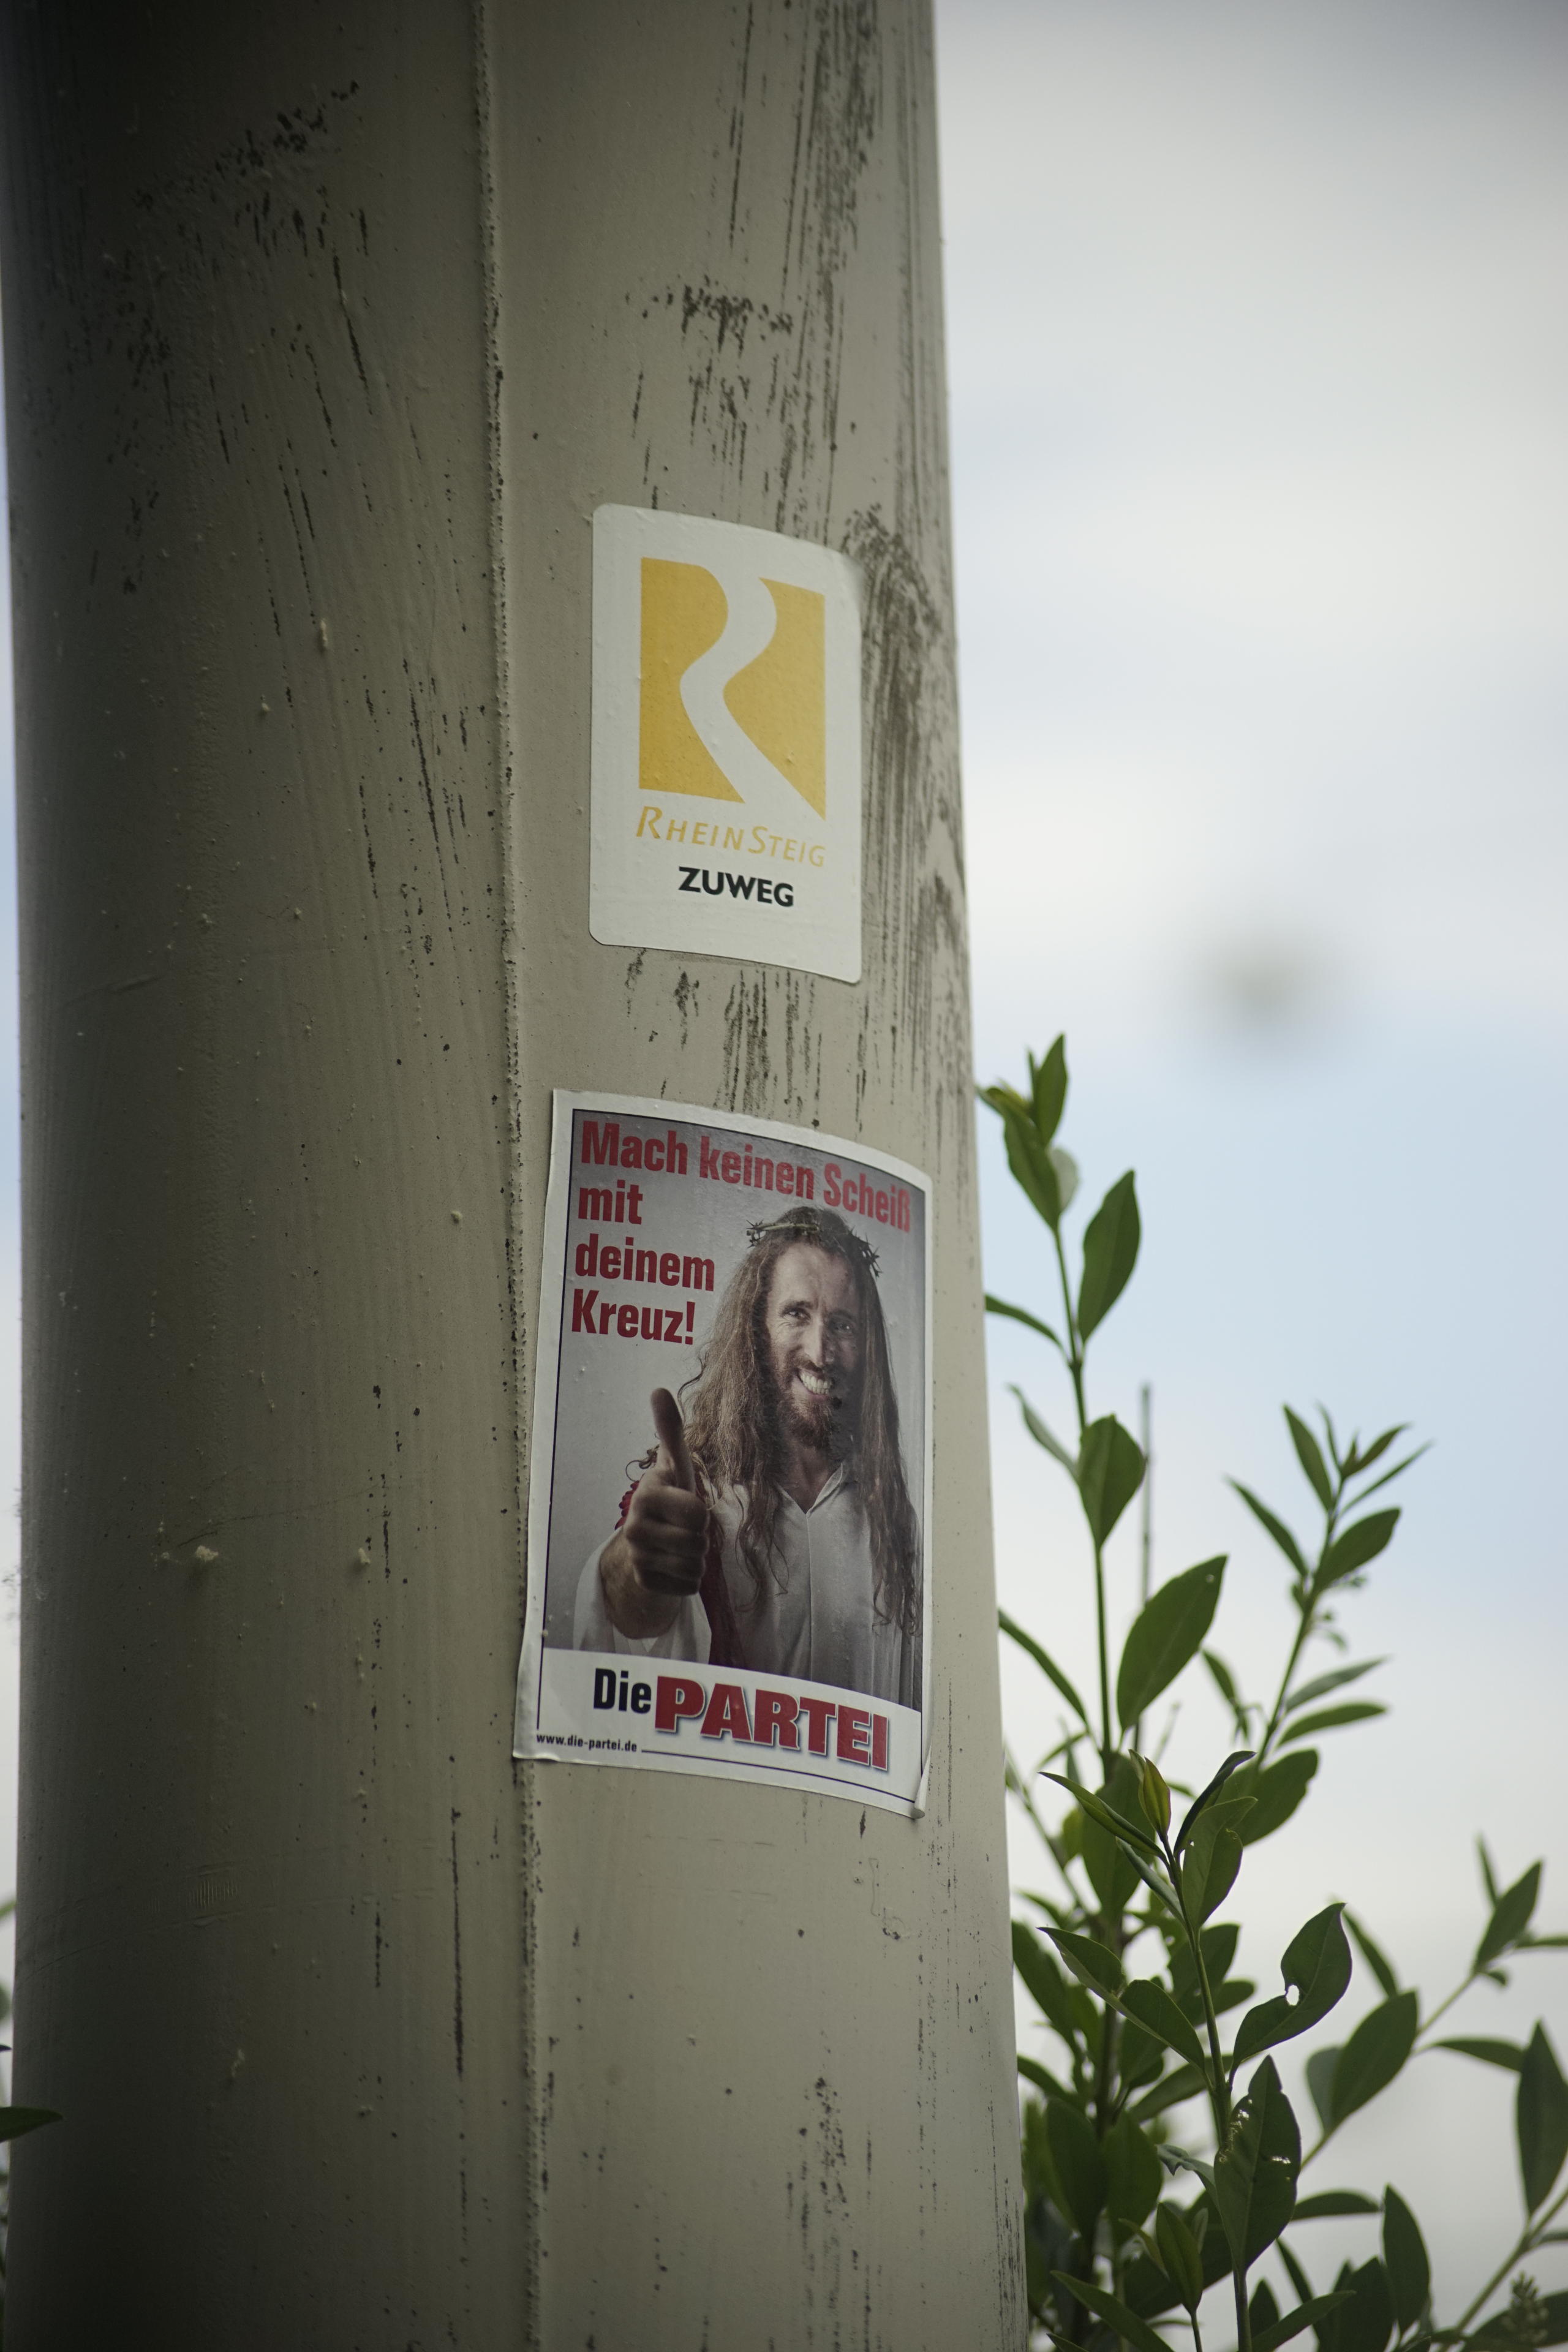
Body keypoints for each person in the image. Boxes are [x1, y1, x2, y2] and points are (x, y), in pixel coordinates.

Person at [572, 1205, 921, 1709]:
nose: (820, 1352)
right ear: (757, 1329)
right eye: (797, 1313)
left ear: (866, 1346)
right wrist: (633, 1566)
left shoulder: (890, 1520)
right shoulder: (699, 1494)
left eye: (842, 1325)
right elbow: (630, 1611)